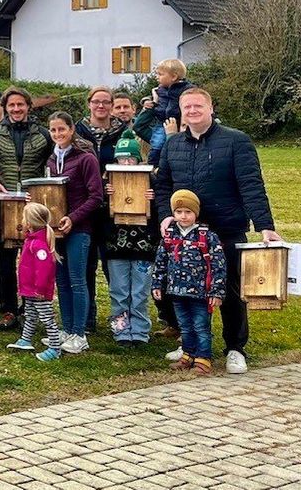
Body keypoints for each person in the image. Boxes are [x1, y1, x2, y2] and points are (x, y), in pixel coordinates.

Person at [153, 87, 279, 374]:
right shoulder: (173, 145)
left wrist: (265, 226)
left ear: (211, 109)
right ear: (180, 111)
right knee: (187, 292)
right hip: (187, 234)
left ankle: (235, 347)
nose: (193, 111)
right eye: (187, 107)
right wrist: (165, 216)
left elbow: (251, 185)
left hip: (226, 228)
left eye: (198, 106)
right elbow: (162, 186)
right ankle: (192, 347)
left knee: (231, 292)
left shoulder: (236, 141)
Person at [0, 86, 54, 331]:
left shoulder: (43, 135)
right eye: (11, 105)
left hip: (34, 204)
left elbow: (53, 164)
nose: (16, 109)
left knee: (34, 258)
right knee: (5, 258)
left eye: (20, 104)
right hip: (6, 204)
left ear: (28, 106)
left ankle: (32, 306)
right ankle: (9, 309)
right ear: (5, 108)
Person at [44, 112, 103, 355]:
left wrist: (74, 218)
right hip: (56, 232)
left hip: (79, 229)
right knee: (62, 281)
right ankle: (66, 329)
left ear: (71, 130)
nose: (58, 134)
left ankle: (80, 333)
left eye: (62, 129)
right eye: (53, 130)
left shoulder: (86, 158)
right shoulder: (50, 161)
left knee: (78, 280)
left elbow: (96, 196)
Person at [152, 189, 226, 375]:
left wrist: (217, 291)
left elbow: (218, 265)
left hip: (201, 292)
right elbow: (161, 262)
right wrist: (157, 284)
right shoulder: (169, 236)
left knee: (201, 326)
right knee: (184, 325)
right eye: (179, 212)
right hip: (176, 291)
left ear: (196, 213)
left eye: (188, 212)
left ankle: (203, 358)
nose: (183, 216)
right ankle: (188, 354)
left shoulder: (207, 236)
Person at [76, 85, 125, 331]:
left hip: (114, 208)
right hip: (84, 207)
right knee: (85, 265)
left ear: (112, 105)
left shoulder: (124, 132)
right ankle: (87, 319)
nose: (101, 106)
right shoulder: (77, 131)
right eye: (97, 101)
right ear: (89, 104)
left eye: (106, 102)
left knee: (113, 265)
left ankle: (120, 321)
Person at [102, 129, 157, 345]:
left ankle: (140, 330)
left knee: (140, 291)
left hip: (144, 246)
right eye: (122, 158)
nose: (126, 163)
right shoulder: (109, 180)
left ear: (138, 158)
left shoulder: (149, 179)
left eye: (130, 158)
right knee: (119, 290)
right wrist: (106, 199)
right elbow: (101, 212)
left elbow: (160, 211)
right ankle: (121, 330)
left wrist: (152, 199)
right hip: (116, 246)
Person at [7, 202, 63, 361]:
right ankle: (25, 339)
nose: (22, 221)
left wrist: (39, 289)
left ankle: (55, 347)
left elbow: (44, 270)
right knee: (30, 315)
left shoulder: (38, 245)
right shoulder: (30, 241)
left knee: (47, 318)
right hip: (30, 290)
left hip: (38, 292)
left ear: (30, 223)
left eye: (24, 218)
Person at [144, 59, 193, 152]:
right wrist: (147, 101)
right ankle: (153, 163)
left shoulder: (186, 89)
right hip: (162, 121)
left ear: (174, 76)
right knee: (156, 144)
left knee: (178, 145)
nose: (157, 77)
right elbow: (152, 97)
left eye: (160, 74)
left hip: (179, 122)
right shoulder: (160, 89)